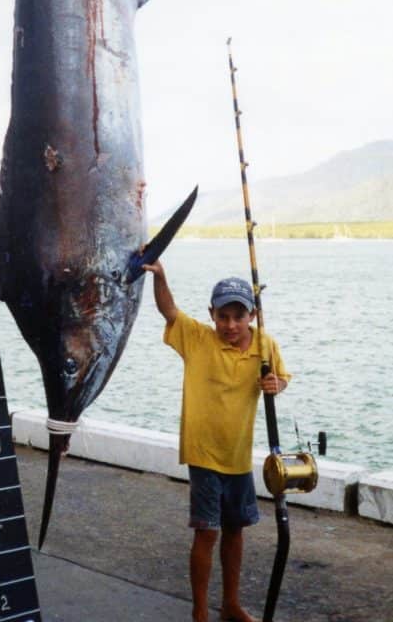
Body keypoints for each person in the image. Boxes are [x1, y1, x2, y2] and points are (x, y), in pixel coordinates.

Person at [142, 262, 290, 622]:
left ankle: (230, 604)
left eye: (239, 316)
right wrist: (161, 276)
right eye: (223, 316)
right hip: (203, 453)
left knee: (235, 532)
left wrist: (277, 385)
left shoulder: (265, 344)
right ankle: (200, 611)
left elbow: (281, 378)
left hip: (238, 456)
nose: (230, 325)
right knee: (207, 532)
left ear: (252, 315)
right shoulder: (197, 339)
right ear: (212, 314)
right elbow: (169, 310)